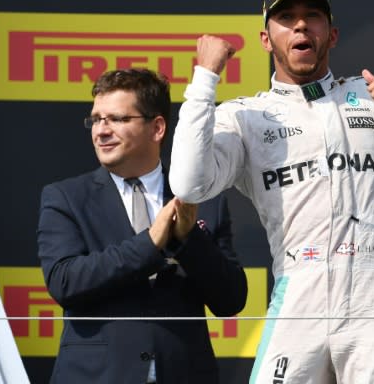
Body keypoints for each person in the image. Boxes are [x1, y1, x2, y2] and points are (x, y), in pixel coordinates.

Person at [169, 0, 374, 383]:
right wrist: (205, 80)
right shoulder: (244, 116)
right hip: (300, 289)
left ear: (331, 34)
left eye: (312, 16)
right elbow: (188, 185)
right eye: (286, 18)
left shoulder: (373, 98)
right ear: (267, 39)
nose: (300, 25)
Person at [38, 68, 248, 384]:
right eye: (96, 119)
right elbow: (66, 282)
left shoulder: (202, 198)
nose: (101, 131)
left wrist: (187, 239)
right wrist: (150, 243)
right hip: (95, 376)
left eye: (117, 119)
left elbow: (231, 299)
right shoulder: (65, 197)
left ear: (157, 128)